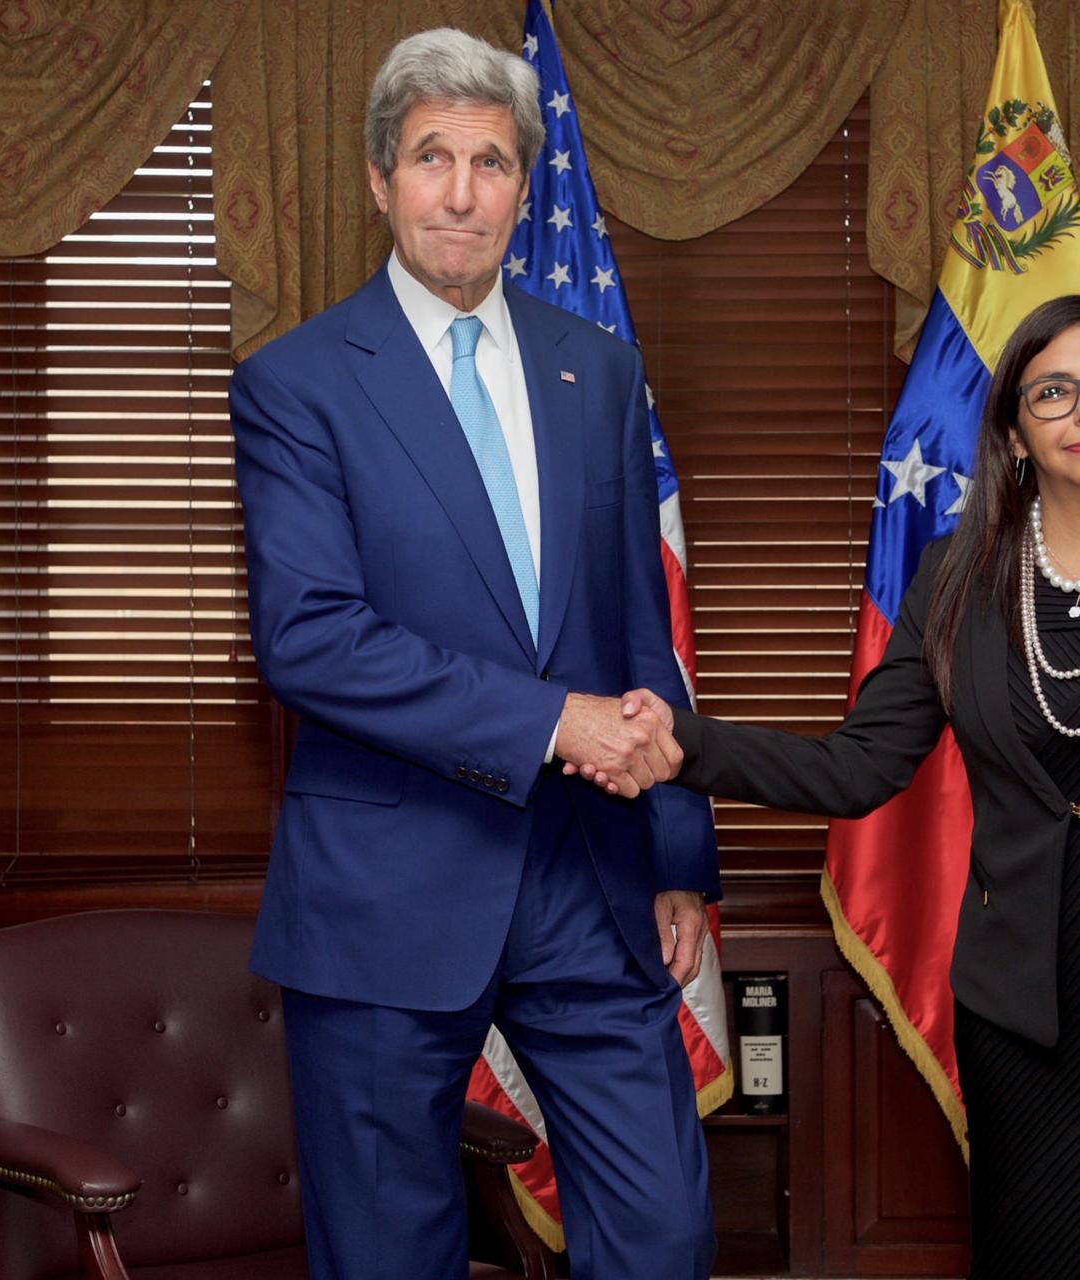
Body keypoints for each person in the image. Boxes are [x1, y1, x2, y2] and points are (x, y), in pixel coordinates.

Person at [601, 295, 1080, 1278]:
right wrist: (681, 741)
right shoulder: (955, 576)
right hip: (1022, 1022)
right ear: (1014, 432)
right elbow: (856, 765)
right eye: (1053, 391)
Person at [228, 28, 718, 1280]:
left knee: (662, 1232)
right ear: (379, 180)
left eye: (489, 161)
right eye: (431, 157)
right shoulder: (297, 384)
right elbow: (309, 637)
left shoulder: (596, 370)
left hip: (586, 879)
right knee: (391, 1253)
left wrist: (675, 852)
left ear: (523, 184)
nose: (460, 192)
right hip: (385, 886)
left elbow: (634, 630)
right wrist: (551, 719)